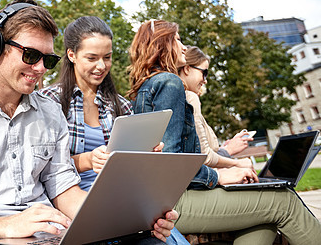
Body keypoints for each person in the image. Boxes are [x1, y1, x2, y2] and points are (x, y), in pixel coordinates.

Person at [0, 0, 177, 245]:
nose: (40, 69)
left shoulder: (51, 114)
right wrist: (5, 225)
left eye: (48, 60)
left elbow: (65, 193)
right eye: (30, 55)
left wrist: (133, 217)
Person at [128, 19, 321, 245]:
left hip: (160, 201)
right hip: (175, 203)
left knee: (264, 217)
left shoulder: (146, 87)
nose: (182, 47)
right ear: (162, 44)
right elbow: (173, 164)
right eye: (178, 40)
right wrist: (220, 177)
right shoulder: (170, 83)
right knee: (283, 201)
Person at [40, 16, 189, 244]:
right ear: (71, 55)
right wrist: (88, 160)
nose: (101, 66)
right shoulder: (49, 102)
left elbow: (133, 173)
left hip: (121, 208)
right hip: (72, 211)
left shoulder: (121, 106)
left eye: (107, 58)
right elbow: (41, 169)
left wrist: (148, 158)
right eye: (92, 58)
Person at [179, 45, 253, 168]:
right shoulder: (190, 98)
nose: (205, 80)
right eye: (204, 73)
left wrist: (225, 149)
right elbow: (203, 157)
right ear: (187, 69)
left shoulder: (184, 98)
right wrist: (237, 162)